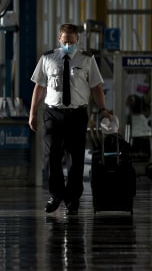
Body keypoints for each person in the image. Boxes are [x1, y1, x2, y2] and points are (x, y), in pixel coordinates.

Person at [29, 23, 111, 215]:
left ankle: (72, 199)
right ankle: (56, 195)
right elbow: (39, 87)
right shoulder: (47, 58)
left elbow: (96, 87)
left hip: (77, 115)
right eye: (65, 41)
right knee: (52, 157)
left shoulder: (87, 60)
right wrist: (32, 112)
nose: (68, 45)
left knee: (75, 158)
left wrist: (103, 109)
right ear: (59, 39)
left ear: (78, 41)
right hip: (53, 114)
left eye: (72, 42)